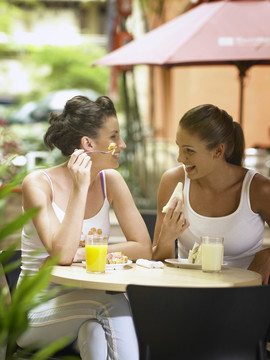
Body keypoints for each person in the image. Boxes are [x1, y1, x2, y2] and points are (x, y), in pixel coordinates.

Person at [17, 95, 152, 359]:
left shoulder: (110, 181)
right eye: (114, 137)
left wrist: (84, 252)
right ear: (88, 144)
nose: (121, 145)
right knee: (113, 304)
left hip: (85, 307)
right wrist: (80, 187)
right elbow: (62, 254)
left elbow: (143, 247)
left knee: (96, 335)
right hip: (36, 312)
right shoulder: (38, 184)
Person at [152, 104, 270, 284]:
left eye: (189, 150)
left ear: (218, 151)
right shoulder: (173, 182)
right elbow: (158, 265)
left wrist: (267, 256)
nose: (180, 159)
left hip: (244, 296)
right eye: (179, 147)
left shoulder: (258, 189)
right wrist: (167, 238)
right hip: (188, 292)